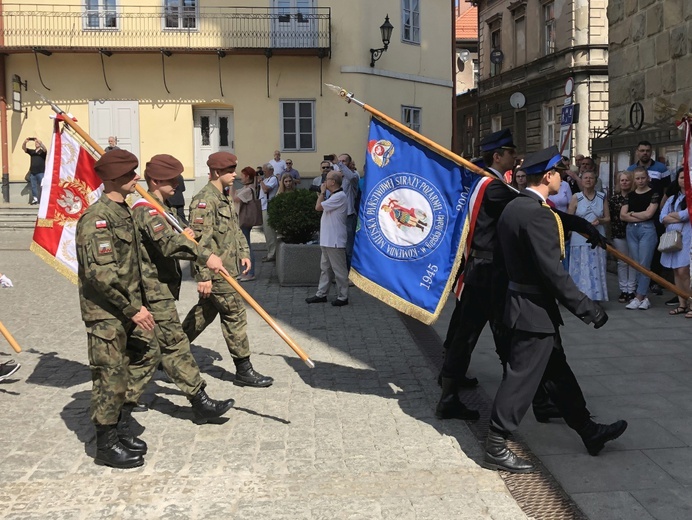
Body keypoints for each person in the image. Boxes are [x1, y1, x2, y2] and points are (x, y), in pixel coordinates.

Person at [437, 129, 606, 423]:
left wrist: (579, 224)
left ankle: (535, 400)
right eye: (511, 152)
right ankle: (454, 398)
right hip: (488, 274)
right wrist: (580, 223)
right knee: (483, 337)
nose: (516, 158)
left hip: (482, 271)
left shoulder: (486, 183)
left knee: (473, 335)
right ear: (497, 156)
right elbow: (533, 209)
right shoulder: (494, 188)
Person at [486, 146, 626, 473]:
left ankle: (588, 431)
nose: (563, 178)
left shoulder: (517, 207)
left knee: (558, 373)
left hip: (524, 306)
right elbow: (552, 272)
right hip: (530, 310)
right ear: (547, 176)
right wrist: (587, 308)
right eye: (559, 173)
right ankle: (495, 444)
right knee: (520, 380)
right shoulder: (536, 213)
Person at [125, 154, 235, 425]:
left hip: (159, 289)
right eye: (172, 180)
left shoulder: (163, 207)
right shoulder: (145, 209)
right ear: (155, 181)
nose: (177, 184)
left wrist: (186, 236)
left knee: (150, 350)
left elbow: (179, 234)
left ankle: (124, 398)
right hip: (151, 290)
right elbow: (168, 243)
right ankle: (200, 401)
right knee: (174, 345)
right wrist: (204, 256)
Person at [75, 149, 153, 469]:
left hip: (130, 308)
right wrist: (133, 308)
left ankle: (121, 422)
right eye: (132, 174)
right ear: (114, 179)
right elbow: (100, 275)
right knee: (109, 375)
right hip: (107, 312)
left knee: (143, 358)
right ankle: (105, 444)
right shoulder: (96, 219)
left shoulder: (126, 212)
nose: (137, 178)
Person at [182, 152, 273, 388]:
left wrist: (243, 252)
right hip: (217, 272)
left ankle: (171, 350)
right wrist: (204, 277)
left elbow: (234, 229)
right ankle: (244, 369)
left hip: (229, 268)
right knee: (235, 315)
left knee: (204, 314)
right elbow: (199, 243)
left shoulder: (223, 196)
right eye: (229, 171)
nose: (234, 174)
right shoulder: (204, 200)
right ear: (215, 173)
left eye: (234, 169)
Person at [305, 170, 349, 306]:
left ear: (333, 182)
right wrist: (322, 193)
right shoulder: (333, 196)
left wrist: (322, 193)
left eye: (327, 179)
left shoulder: (340, 196)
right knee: (325, 269)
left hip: (335, 240)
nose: (324, 182)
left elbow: (318, 207)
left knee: (339, 270)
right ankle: (321, 294)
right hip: (327, 239)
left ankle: (343, 296)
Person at [621, 167, 660, 310]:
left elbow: (649, 215)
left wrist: (631, 213)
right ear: (634, 180)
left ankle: (639, 296)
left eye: (643, 178)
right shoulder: (629, 195)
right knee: (636, 264)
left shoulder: (653, 193)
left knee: (644, 264)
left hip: (647, 229)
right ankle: (644, 297)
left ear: (648, 177)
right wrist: (637, 214)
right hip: (631, 230)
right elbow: (622, 215)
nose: (640, 181)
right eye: (637, 178)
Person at [568, 170, 610, 301]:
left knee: (596, 267)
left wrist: (600, 220)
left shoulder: (602, 196)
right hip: (579, 237)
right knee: (581, 268)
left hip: (597, 237)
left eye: (591, 178)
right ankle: (580, 298)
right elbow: (569, 218)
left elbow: (608, 218)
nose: (588, 180)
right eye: (585, 178)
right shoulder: (576, 197)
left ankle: (596, 297)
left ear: (595, 181)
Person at [658, 168, 691, 316]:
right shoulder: (672, 199)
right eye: (681, 177)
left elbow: (687, 214)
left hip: (688, 237)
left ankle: (691, 302)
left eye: (686, 177)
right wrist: (676, 216)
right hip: (672, 237)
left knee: (685, 270)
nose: (683, 180)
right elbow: (662, 217)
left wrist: (674, 216)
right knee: (676, 271)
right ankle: (682, 303)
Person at [609, 171, 637, 302]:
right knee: (622, 262)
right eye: (622, 180)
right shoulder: (614, 199)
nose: (624, 182)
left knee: (632, 262)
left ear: (631, 182)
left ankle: (631, 289)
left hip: (634, 233)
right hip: (618, 233)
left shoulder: (635, 197)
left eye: (627, 180)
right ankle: (623, 289)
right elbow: (610, 218)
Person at [333, 153, 360, 270]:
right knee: (338, 246)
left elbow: (352, 178)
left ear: (349, 163)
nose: (341, 163)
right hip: (338, 215)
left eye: (344, 161)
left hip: (349, 215)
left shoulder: (354, 175)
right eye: (339, 161)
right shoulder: (337, 177)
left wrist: (339, 165)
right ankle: (341, 272)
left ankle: (351, 274)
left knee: (349, 247)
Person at [234, 166, 259, 282]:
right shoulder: (246, 188)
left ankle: (250, 272)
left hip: (245, 221)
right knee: (242, 246)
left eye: (242, 176)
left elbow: (235, 198)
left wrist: (230, 184)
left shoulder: (249, 190)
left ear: (247, 176)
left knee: (247, 247)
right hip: (241, 220)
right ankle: (245, 272)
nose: (240, 177)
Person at [259, 163, 279, 262]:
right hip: (263, 206)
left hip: (269, 207)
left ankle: (272, 254)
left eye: (264, 170)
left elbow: (266, 189)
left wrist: (261, 181)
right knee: (266, 232)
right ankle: (269, 252)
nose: (263, 172)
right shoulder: (266, 179)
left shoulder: (273, 179)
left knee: (270, 232)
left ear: (270, 170)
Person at [22, 137, 47, 205]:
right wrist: (25, 142)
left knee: (42, 186)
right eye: (36, 142)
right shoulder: (32, 152)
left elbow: (45, 149)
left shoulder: (43, 152)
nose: (37, 143)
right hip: (33, 172)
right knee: (33, 186)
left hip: (41, 172)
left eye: (38, 142)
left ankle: (44, 199)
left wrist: (40, 142)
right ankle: (35, 199)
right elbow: (24, 148)